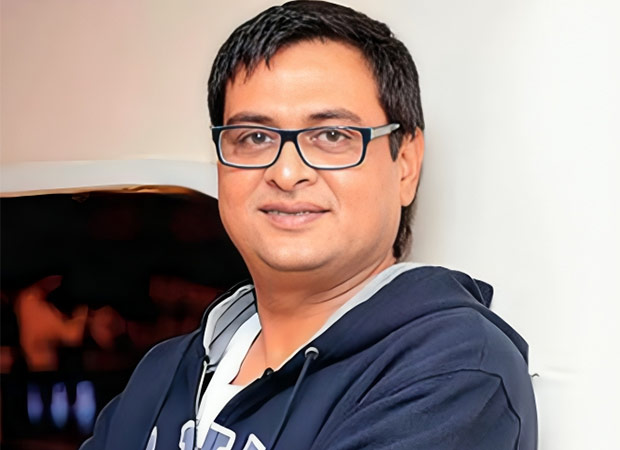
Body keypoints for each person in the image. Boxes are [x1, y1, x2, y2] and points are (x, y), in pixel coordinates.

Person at [81, 1, 537, 449]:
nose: (286, 173)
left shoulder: (455, 370)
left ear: (406, 164)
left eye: (332, 136)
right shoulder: (163, 374)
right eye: (254, 137)